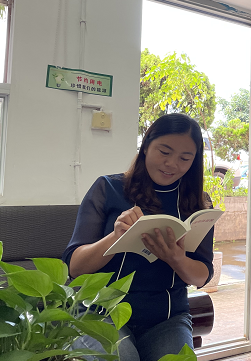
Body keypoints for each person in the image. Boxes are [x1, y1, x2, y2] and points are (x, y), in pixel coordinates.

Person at [63, 113, 215, 361]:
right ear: (146, 146)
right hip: (100, 311)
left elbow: (202, 275)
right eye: (164, 152)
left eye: (185, 158)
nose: (171, 164)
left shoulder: (198, 204)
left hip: (167, 317)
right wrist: (116, 237)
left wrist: (177, 259)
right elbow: (75, 267)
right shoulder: (108, 188)